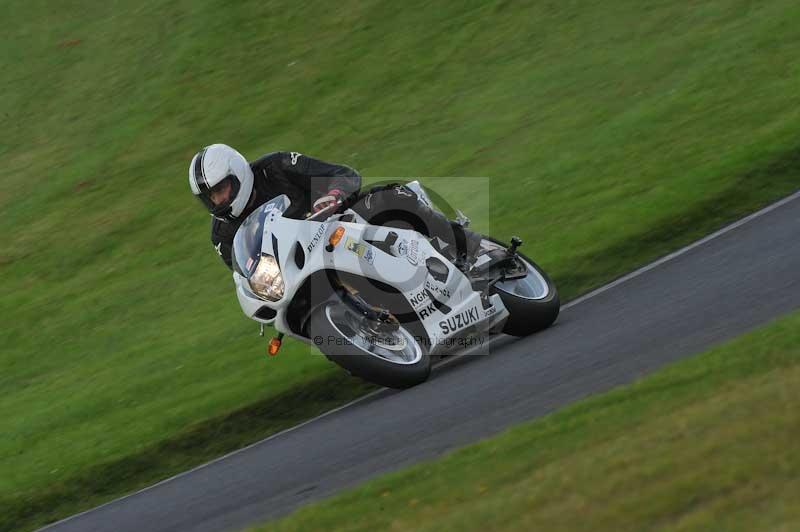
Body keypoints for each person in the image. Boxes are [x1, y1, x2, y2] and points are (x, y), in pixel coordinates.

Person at [188, 143, 483, 271]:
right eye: (211, 197)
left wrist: (330, 197)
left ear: (237, 173)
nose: (219, 200)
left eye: (221, 189)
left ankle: (467, 246)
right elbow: (244, 271)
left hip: (338, 224)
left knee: (390, 197)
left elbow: (342, 174)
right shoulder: (222, 235)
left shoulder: (275, 166)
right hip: (300, 265)